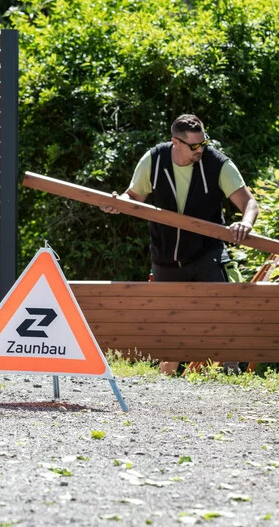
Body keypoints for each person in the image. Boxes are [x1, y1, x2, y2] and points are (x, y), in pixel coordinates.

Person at [102, 114, 258, 375]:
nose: (201, 149)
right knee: (169, 320)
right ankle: (166, 379)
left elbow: (249, 203)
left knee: (222, 306)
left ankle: (231, 370)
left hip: (207, 249)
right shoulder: (153, 159)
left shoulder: (217, 162)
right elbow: (134, 196)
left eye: (203, 143)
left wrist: (246, 223)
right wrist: (118, 203)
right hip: (166, 254)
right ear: (176, 142)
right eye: (194, 146)